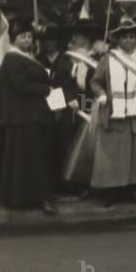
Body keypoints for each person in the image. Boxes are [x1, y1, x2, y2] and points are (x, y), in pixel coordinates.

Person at [89, 17, 136, 207]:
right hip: (114, 112)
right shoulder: (108, 59)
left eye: (132, 37)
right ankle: (113, 191)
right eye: (124, 37)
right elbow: (95, 81)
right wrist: (101, 94)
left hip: (135, 112)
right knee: (113, 154)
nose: (128, 41)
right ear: (118, 40)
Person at [0, 18, 58, 215]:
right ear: (14, 40)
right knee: (29, 158)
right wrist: (46, 89)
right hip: (23, 115)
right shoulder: (12, 58)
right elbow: (20, 85)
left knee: (32, 158)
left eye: (29, 37)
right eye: (22, 37)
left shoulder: (27, 57)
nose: (27, 40)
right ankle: (30, 197)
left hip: (32, 114)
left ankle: (29, 196)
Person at [53, 18, 100, 194]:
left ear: (87, 39)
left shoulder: (99, 58)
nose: (74, 38)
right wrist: (63, 102)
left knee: (88, 146)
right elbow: (56, 83)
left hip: (91, 107)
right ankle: (65, 184)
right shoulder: (65, 58)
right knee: (66, 143)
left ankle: (85, 183)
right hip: (69, 107)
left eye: (78, 35)